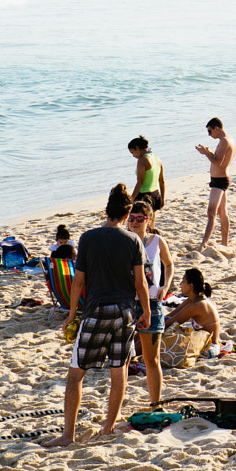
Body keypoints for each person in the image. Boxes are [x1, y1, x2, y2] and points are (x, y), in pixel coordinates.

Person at [43, 184, 150, 448]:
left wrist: (70, 314)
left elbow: (78, 282)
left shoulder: (88, 238)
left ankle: (67, 436)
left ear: (106, 211)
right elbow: (140, 284)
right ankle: (108, 427)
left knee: (75, 375)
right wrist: (146, 311)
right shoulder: (133, 240)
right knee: (118, 371)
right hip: (124, 312)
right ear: (126, 215)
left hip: (96, 311)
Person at [125, 200, 175, 407]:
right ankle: (118, 406)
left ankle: (156, 403)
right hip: (127, 303)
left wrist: (165, 285)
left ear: (149, 220)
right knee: (122, 360)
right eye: (131, 219)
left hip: (152, 303)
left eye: (140, 219)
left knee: (151, 359)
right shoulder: (123, 240)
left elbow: (168, 264)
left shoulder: (157, 241)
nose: (135, 222)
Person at [197, 117, 233, 249]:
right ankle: (224, 243)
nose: (209, 135)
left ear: (217, 128)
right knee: (222, 212)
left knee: (211, 213)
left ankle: (203, 244)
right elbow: (220, 159)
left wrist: (205, 153)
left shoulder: (224, 141)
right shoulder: (228, 139)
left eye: (210, 131)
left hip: (219, 181)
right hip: (220, 178)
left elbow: (218, 162)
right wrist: (209, 152)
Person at [129, 137, 164, 214]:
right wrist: (162, 198)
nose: (133, 156)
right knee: (151, 222)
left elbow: (140, 183)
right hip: (156, 195)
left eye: (132, 152)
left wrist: (131, 200)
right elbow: (161, 181)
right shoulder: (156, 157)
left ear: (137, 148)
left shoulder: (142, 160)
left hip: (144, 196)